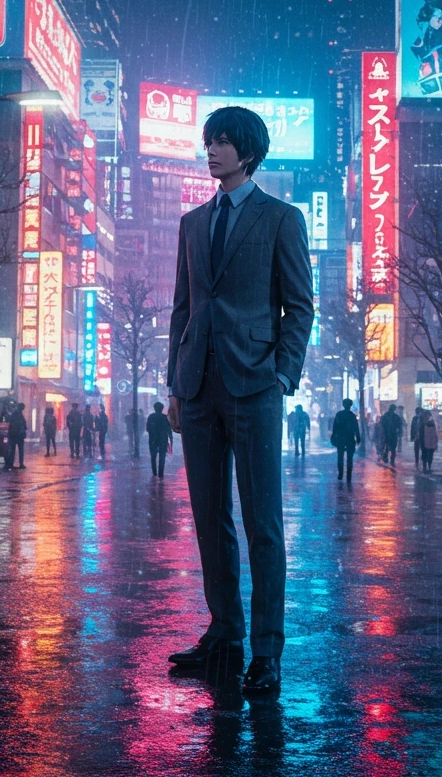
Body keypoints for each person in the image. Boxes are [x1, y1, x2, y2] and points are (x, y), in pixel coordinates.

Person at [166, 105, 313, 696]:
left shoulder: (282, 218)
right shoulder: (192, 224)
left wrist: (282, 374)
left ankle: (267, 652)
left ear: (248, 151)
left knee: (263, 524)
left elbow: (299, 306)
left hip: (256, 386)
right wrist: (175, 382)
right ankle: (223, 633)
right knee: (209, 518)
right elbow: (183, 309)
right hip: (198, 386)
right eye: (208, 142)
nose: (212, 151)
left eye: (222, 142)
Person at [331, 398, 360, 482]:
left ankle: (340, 473)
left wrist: (333, 436)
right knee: (349, 458)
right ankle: (348, 475)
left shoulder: (339, 414)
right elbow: (356, 428)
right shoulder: (352, 415)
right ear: (350, 405)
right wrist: (358, 437)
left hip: (340, 438)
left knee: (340, 456)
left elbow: (335, 427)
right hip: (350, 438)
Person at [147, 401, 173, 478]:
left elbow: (148, 428)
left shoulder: (151, 417)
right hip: (163, 439)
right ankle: (160, 473)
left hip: (153, 439)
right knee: (162, 457)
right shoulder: (164, 417)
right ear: (161, 409)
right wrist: (171, 440)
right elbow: (169, 430)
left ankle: (154, 472)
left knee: (153, 456)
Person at [413, 407, 438, 473]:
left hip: (430, 442)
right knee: (425, 454)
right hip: (425, 441)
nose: (426, 417)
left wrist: (435, 441)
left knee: (429, 454)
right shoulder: (422, 424)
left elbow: (434, 433)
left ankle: (428, 467)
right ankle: (425, 467)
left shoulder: (430, 423)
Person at [6, 403, 27, 470]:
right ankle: (20, 464)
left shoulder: (15, 413)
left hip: (13, 435)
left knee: (12, 450)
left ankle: (11, 464)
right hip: (18, 435)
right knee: (19, 450)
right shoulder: (18, 414)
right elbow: (22, 424)